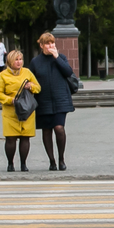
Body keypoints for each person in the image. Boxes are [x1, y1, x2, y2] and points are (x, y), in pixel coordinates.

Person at [28, 32, 75, 171]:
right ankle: (52, 161)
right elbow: (30, 78)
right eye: (47, 43)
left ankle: (61, 159)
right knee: (47, 130)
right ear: (41, 45)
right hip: (43, 100)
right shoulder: (35, 62)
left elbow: (68, 72)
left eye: (52, 43)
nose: (51, 45)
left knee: (59, 128)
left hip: (61, 99)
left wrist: (56, 57)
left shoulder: (61, 58)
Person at [0, 50, 41, 172]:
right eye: (16, 59)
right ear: (10, 61)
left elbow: (38, 87)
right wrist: (10, 100)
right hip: (11, 111)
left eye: (20, 59)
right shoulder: (3, 75)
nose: (19, 62)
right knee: (11, 138)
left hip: (26, 110)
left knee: (25, 137)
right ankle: (10, 163)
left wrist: (30, 86)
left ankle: (24, 164)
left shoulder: (27, 72)